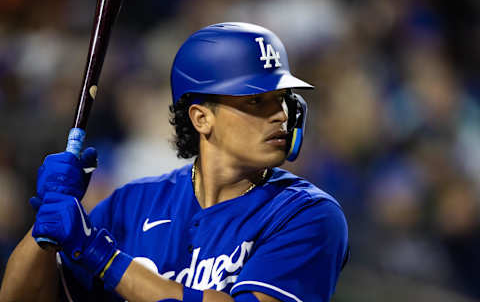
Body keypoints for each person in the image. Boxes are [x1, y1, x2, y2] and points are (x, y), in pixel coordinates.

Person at [0, 22, 349, 302]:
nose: (281, 116)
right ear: (201, 118)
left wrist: (98, 254)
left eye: (283, 100)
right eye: (257, 102)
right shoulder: (131, 204)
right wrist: (47, 223)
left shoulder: (308, 214)